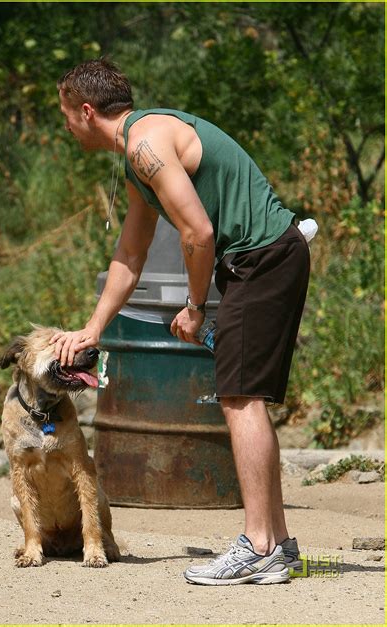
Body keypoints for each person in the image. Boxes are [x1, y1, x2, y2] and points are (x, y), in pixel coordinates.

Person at [51, 58, 310, 585]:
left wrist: (194, 306)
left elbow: (198, 233)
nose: (64, 126)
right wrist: (93, 329)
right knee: (245, 395)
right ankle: (278, 545)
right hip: (260, 260)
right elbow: (131, 250)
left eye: (64, 114)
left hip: (262, 258)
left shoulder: (145, 145)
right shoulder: (136, 156)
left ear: (85, 110)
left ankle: (258, 545)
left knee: (239, 397)